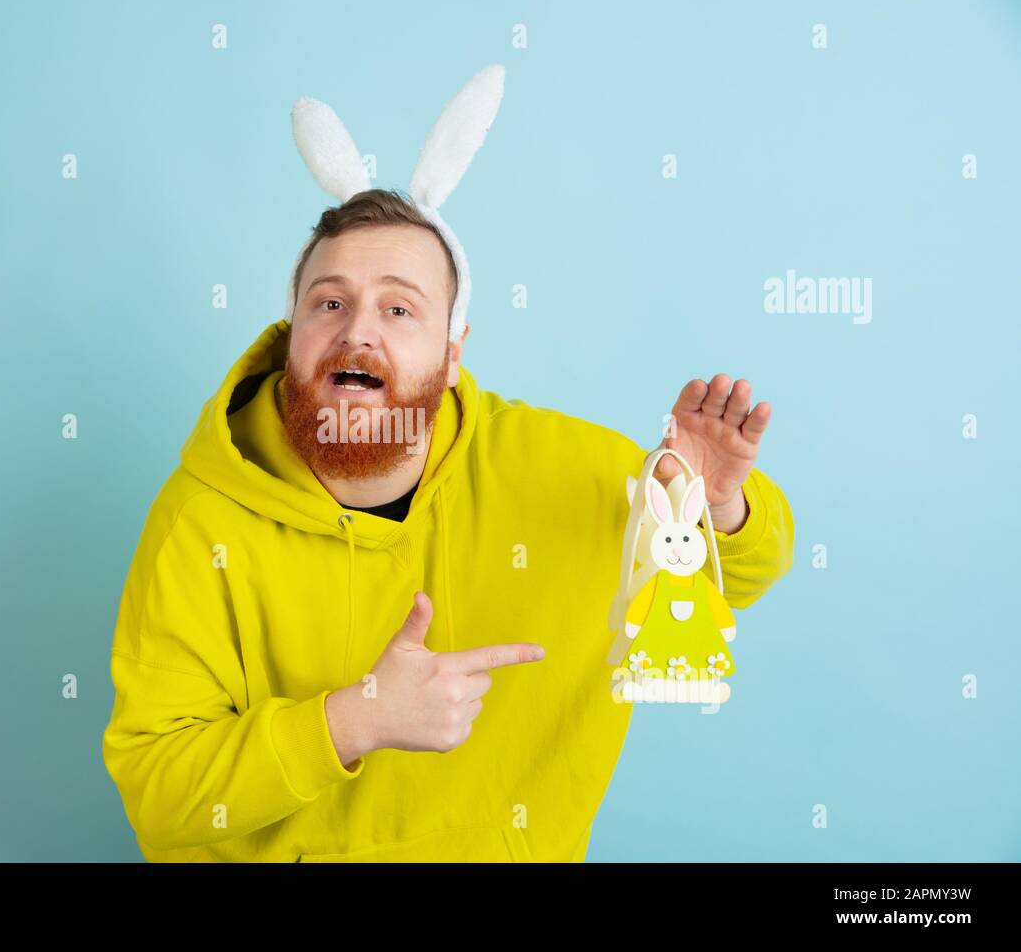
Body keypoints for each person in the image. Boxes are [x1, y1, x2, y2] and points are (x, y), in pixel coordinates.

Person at [100, 188, 795, 861]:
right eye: (330, 302)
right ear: (293, 336)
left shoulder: (564, 468)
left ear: (452, 349)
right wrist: (353, 721)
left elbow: (737, 577)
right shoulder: (201, 518)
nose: (357, 331)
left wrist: (713, 507)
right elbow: (159, 792)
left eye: (399, 308)